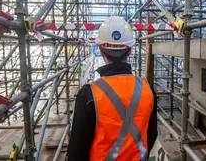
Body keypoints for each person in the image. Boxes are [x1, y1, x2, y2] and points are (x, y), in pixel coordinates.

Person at [67, 16, 158, 161]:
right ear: (129, 52)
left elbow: (78, 149)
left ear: (102, 52)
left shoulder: (89, 94)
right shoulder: (147, 89)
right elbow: (152, 134)